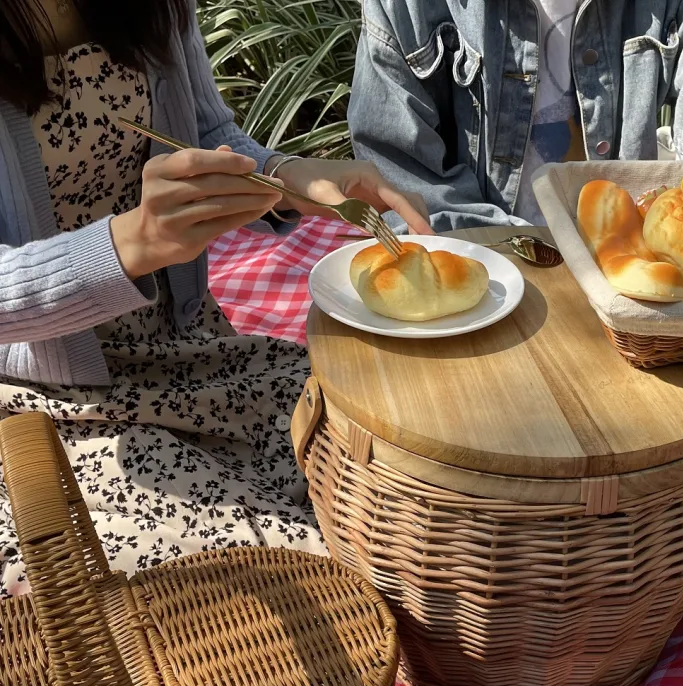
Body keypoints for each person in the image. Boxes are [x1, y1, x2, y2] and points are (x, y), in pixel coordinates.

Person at [0, 0, 430, 594]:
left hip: (190, 351)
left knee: (393, 489)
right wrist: (130, 244)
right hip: (43, 402)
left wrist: (285, 177)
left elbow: (204, 136)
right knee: (291, 576)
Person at [348, 0, 683, 384]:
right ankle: (627, 368)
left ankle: (606, 363)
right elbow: (404, 180)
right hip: (490, 265)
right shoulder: (408, 8)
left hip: (624, 275)